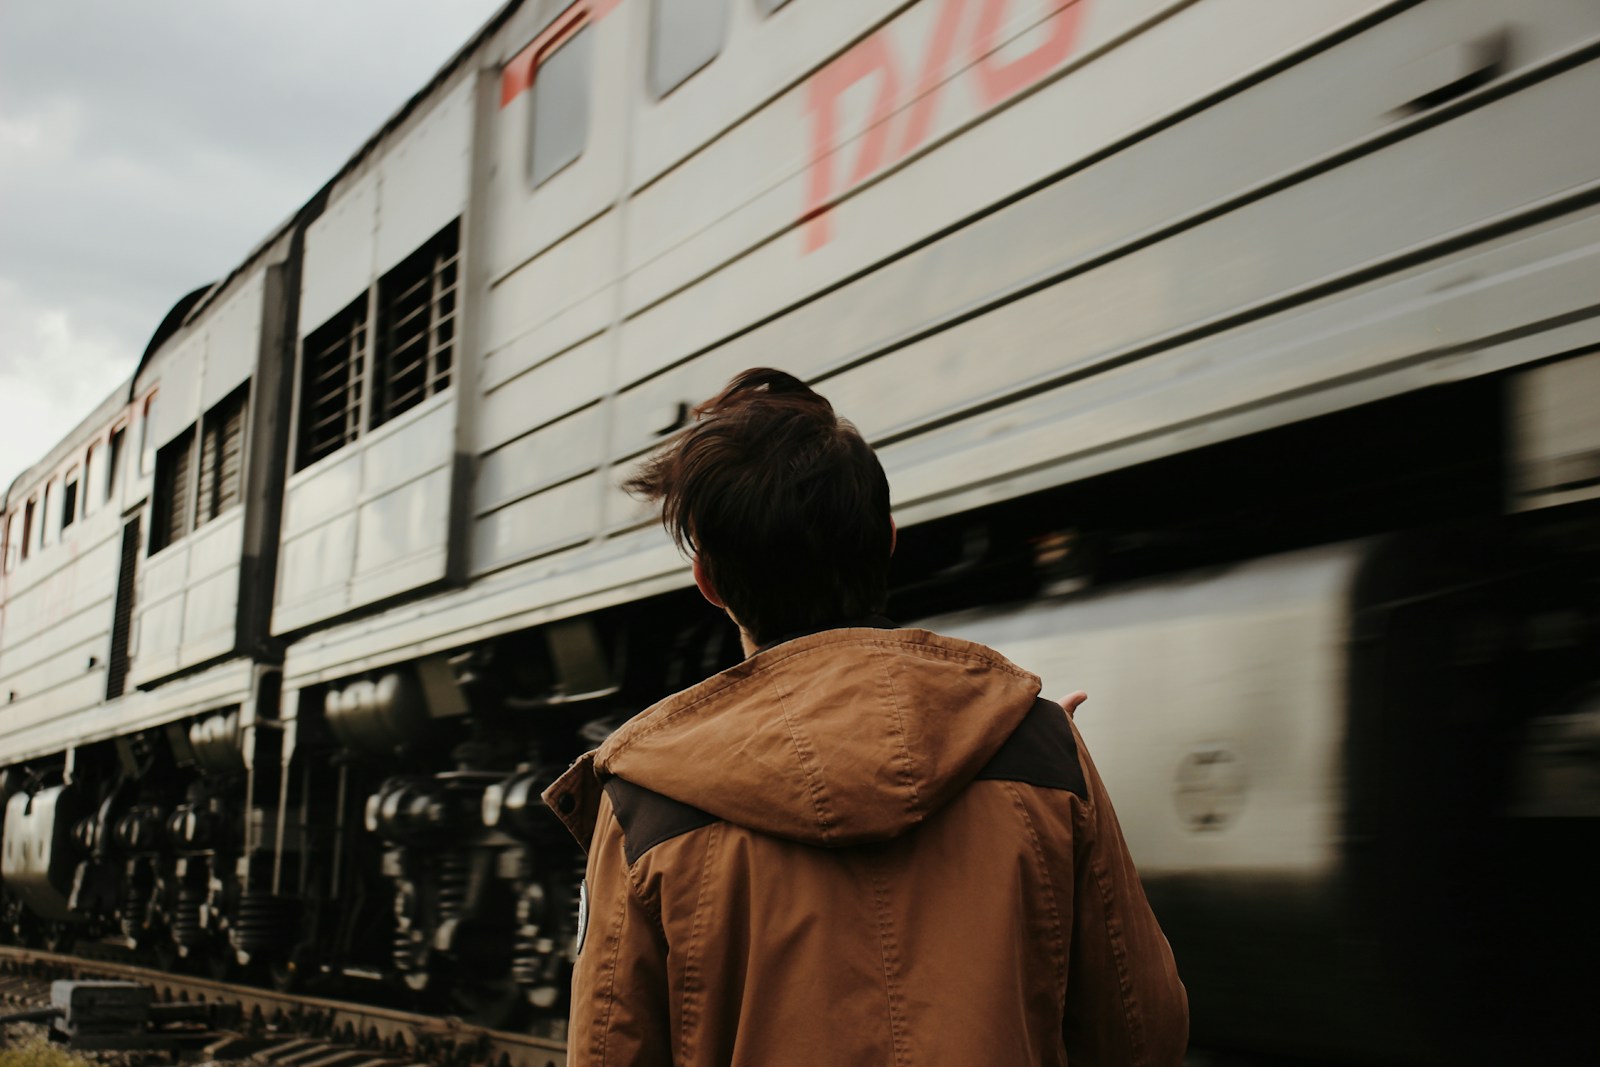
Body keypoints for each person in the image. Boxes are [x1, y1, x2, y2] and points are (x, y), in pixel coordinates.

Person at [543, 368, 1188, 1066]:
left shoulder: (643, 803)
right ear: (886, 538)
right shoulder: (1040, 752)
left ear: (710, 583)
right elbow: (1140, 1032)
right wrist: (1029, 782)